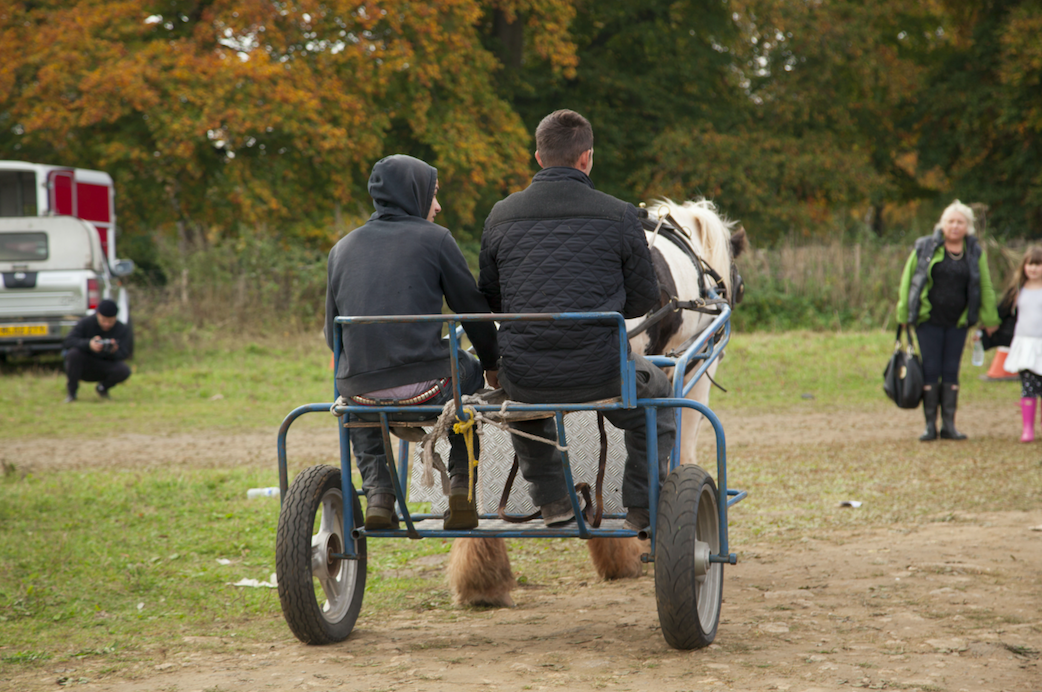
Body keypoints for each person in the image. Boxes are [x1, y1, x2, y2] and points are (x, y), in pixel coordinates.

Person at [478, 109, 675, 530]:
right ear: (586, 158)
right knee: (658, 392)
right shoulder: (621, 214)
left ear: (538, 157)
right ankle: (640, 507)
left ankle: (553, 501)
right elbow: (643, 298)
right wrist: (598, 316)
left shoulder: (499, 215)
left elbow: (492, 299)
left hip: (526, 374)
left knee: (521, 400)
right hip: (601, 373)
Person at [325, 154, 499, 531]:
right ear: (413, 194)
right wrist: (492, 362)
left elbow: (332, 336)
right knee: (465, 370)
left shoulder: (340, 249)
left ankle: (379, 495)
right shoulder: (436, 240)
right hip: (429, 391)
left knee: (354, 390)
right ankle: (460, 488)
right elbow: (472, 309)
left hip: (362, 393)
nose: (437, 206)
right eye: (433, 195)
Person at [897, 200, 999, 441]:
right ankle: (930, 426)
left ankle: (949, 426)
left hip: (958, 321)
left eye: (960, 222)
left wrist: (990, 318)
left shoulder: (974, 251)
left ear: (968, 226)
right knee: (931, 369)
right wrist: (904, 315)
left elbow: (984, 285)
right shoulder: (925, 247)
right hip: (928, 320)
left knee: (950, 370)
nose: (955, 226)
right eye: (950, 221)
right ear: (942, 224)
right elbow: (908, 280)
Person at [1000, 246, 1042, 442]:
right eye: (1030, 264)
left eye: (1038, 265)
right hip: (1024, 344)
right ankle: (1027, 428)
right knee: (1028, 386)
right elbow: (1002, 314)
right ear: (1024, 266)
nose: (1034, 269)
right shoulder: (1018, 290)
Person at [62, 299, 133, 402]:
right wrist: (89, 344)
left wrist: (113, 351)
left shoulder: (122, 329)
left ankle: (102, 388)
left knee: (124, 370)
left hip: (105, 365)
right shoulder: (86, 323)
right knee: (73, 354)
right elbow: (68, 342)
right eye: (103, 320)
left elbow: (125, 353)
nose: (107, 324)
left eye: (110, 321)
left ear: (115, 318)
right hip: (84, 365)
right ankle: (71, 393)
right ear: (98, 315)